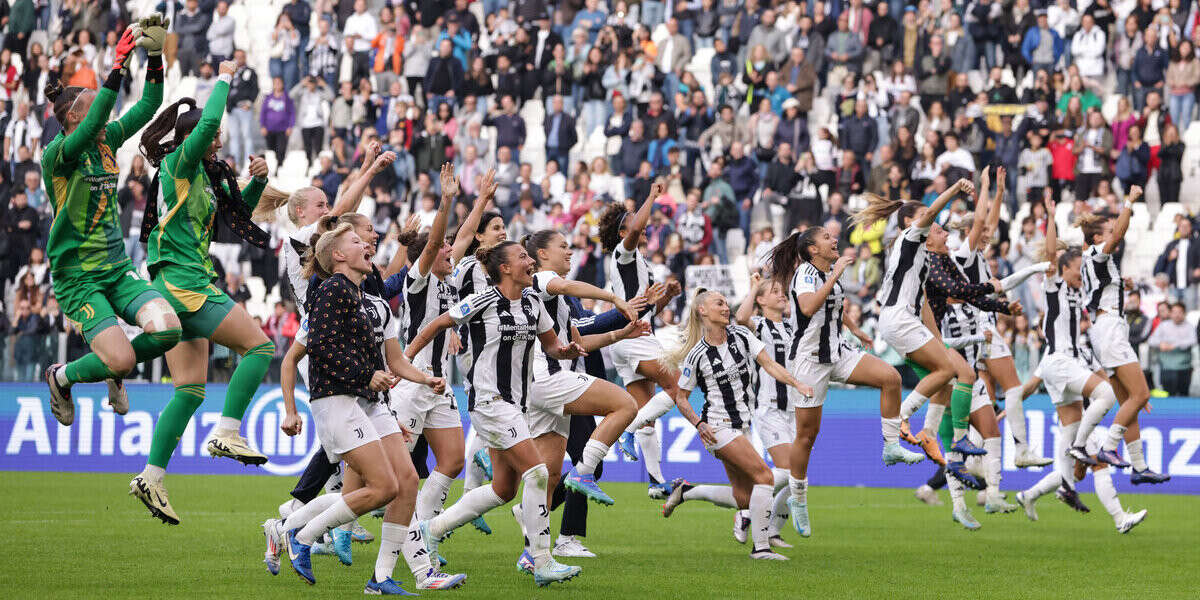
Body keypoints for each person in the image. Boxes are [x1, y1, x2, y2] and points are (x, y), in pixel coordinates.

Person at [263, 223, 465, 592]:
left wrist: (422, 381)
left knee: (405, 484)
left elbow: (395, 362)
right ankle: (301, 535)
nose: (369, 243)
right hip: (337, 401)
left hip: (371, 403)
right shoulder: (329, 291)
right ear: (339, 255)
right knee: (383, 485)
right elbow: (320, 348)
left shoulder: (372, 303)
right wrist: (366, 375)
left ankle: (382, 577)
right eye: (358, 240)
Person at [129, 61, 277, 524]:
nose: (219, 140)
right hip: (186, 284)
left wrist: (254, 183)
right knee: (261, 346)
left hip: (173, 286)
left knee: (189, 390)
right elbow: (210, 119)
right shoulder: (180, 162)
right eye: (212, 136)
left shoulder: (206, 179)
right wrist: (226, 75)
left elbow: (236, 220)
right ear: (195, 137)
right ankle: (228, 430)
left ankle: (152, 475)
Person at [406, 240, 589, 587]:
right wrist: (405, 360)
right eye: (522, 256)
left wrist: (566, 351)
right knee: (538, 472)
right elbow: (437, 324)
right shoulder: (482, 300)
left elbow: (551, 345)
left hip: (517, 405)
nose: (530, 260)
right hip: (489, 402)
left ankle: (430, 529)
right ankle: (542, 559)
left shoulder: (534, 302)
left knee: (504, 489)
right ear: (504, 268)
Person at [42, 18, 179, 427]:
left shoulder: (109, 138)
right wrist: (117, 67)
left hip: (117, 269)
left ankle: (111, 367)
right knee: (119, 357)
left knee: (168, 330)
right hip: (78, 275)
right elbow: (102, 107)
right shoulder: (59, 155)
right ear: (72, 118)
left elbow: (149, 105)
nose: (107, 114)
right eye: (91, 111)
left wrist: (153, 56)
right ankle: (61, 377)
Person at [765, 226, 925, 537]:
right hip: (809, 360)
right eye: (825, 237)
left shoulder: (829, 275)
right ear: (813, 250)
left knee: (890, 378)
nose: (833, 239)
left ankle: (891, 446)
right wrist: (836, 274)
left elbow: (833, 309)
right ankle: (798, 498)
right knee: (807, 436)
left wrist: (857, 330)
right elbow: (809, 306)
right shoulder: (805, 275)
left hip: (838, 352)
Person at [511, 229, 647, 568]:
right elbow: (569, 286)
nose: (569, 252)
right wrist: (613, 298)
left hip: (542, 385)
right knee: (626, 404)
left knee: (548, 477)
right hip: (548, 379)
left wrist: (620, 333)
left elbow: (581, 342)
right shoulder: (543, 279)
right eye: (563, 246)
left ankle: (535, 554)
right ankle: (585, 473)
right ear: (541, 255)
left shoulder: (558, 301)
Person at [659, 289, 814, 561]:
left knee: (744, 499)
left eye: (725, 302)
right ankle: (762, 548)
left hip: (742, 426)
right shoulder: (697, 355)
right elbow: (681, 398)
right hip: (717, 427)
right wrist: (698, 423)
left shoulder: (742, 336)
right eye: (719, 303)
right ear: (703, 311)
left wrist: (796, 383)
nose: (726, 306)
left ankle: (687, 491)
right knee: (765, 477)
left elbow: (769, 365)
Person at [1013, 202, 1137, 524]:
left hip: (1063, 368)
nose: (1079, 271)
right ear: (1063, 268)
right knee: (1106, 397)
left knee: (1069, 440)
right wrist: (1053, 217)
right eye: (1074, 267)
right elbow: (1053, 252)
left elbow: (1088, 253)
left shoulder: (1075, 292)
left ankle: (1043, 490)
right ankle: (1115, 511)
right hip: (1059, 362)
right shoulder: (1053, 285)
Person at [859, 179, 981, 486]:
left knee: (950, 374)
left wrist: (937, 341)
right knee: (949, 369)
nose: (933, 220)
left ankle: (929, 432)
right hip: (899, 319)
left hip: (901, 319)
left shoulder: (918, 256)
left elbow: (924, 302)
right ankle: (902, 417)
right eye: (927, 215)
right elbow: (929, 217)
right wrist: (954, 190)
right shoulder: (910, 236)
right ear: (911, 222)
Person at [952, 168, 1052, 468]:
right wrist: (984, 187)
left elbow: (989, 221)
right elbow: (982, 221)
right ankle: (1021, 449)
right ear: (971, 233)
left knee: (987, 401)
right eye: (982, 233)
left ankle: (977, 470)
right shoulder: (964, 253)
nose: (988, 235)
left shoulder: (977, 254)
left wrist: (1000, 190)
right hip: (980, 328)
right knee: (1013, 387)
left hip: (976, 329)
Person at [595, 181, 688, 498]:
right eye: (631, 223)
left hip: (631, 336)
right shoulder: (624, 253)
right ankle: (627, 432)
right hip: (634, 339)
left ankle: (655, 481)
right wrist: (650, 196)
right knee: (679, 386)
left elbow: (648, 311)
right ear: (622, 233)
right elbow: (635, 230)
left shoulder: (638, 263)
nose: (641, 227)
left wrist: (666, 299)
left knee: (646, 410)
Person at [1075, 186, 1170, 485]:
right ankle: (1108, 447)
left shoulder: (1092, 259)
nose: (1113, 229)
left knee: (1131, 401)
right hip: (1111, 329)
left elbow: (1103, 286)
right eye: (1107, 229)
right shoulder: (1099, 253)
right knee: (1141, 395)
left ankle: (1139, 467)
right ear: (1097, 238)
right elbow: (1118, 235)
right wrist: (1129, 200)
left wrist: (1122, 284)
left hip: (1103, 331)